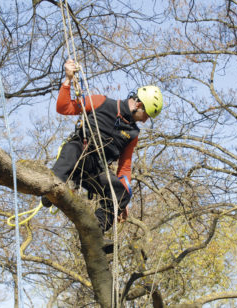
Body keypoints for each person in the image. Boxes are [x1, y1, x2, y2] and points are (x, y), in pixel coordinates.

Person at [41, 59, 163, 237]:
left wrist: (120, 202)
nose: (145, 121)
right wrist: (67, 80)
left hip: (95, 169)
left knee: (122, 192)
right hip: (79, 151)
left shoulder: (133, 134)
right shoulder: (102, 102)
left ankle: (95, 232)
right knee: (72, 149)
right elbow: (64, 107)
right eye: (146, 115)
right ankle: (51, 188)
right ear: (138, 105)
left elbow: (125, 167)